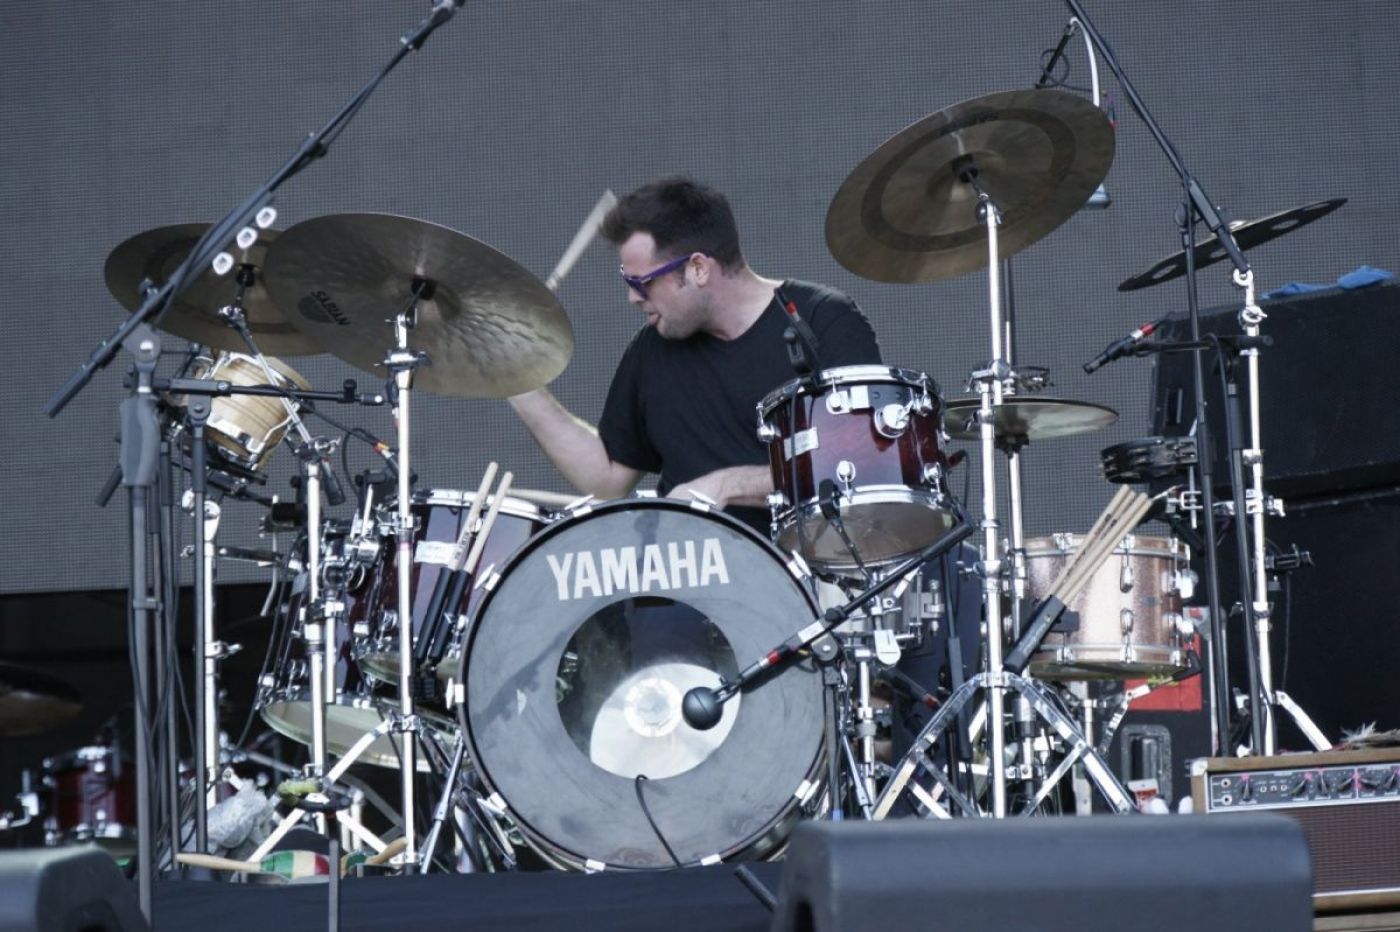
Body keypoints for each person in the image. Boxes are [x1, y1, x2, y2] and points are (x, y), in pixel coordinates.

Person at [509, 176, 883, 533]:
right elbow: (607, 479)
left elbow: (861, 458)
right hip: (692, 571)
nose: (633, 297)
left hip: (808, 566)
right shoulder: (652, 351)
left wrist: (726, 486)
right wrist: (515, 377)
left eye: (642, 282)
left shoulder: (821, 321)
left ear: (698, 268)